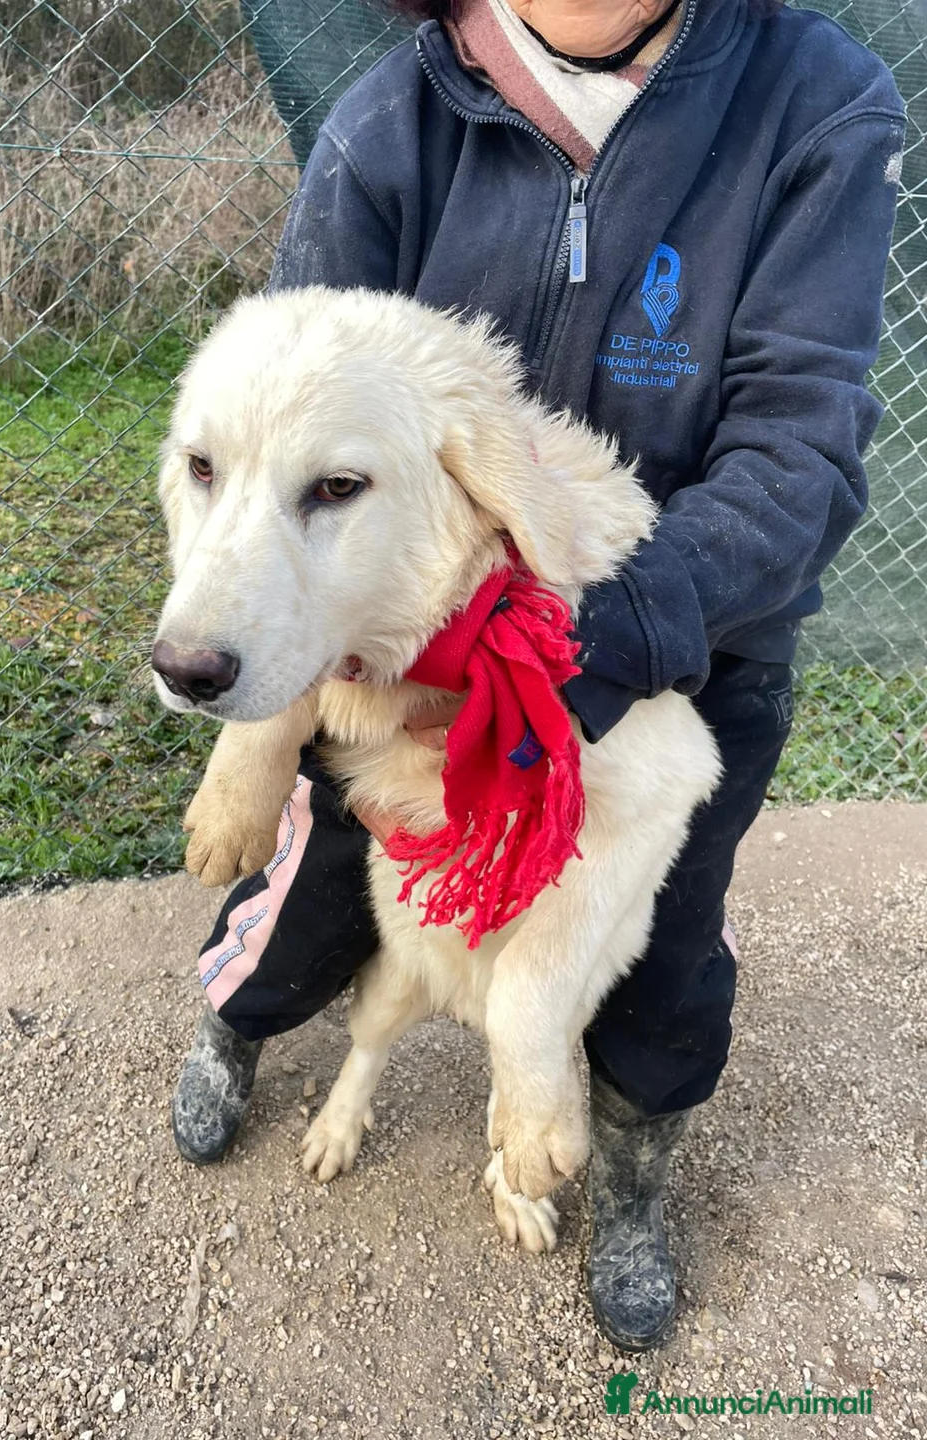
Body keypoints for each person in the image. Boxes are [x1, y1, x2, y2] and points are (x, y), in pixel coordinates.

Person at [168, 0, 904, 1351]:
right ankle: (240, 1027)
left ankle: (619, 1161)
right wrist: (262, 722)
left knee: (662, 951)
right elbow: (276, 410)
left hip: (678, 643)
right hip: (394, 663)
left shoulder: (813, 100)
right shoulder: (394, 118)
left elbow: (801, 442)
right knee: (316, 883)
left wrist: (597, 644)